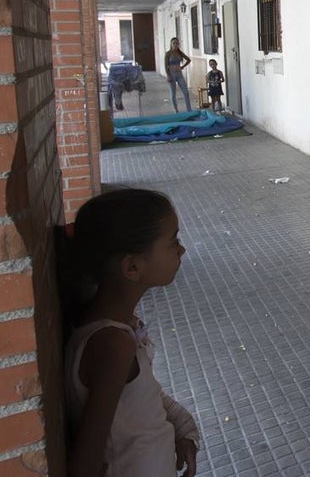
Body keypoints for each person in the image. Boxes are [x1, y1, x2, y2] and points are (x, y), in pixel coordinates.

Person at [61, 187, 199, 477]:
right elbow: (86, 460)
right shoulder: (113, 345)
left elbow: (141, 396)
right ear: (132, 267)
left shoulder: (121, 327)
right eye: (173, 241)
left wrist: (182, 426)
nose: (181, 249)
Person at [164, 38, 192, 112]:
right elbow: (165, 66)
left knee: (186, 92)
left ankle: (189, 110)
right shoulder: (168, 54)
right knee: (173, 94)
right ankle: (176, 111)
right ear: (171, 44)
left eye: (177, 43)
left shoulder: (180, 53)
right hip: (171, 74)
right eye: (174, 43)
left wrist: (183, 66)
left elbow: (188, 60)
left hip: (179, 74)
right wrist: (168, 75)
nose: (175, 45)